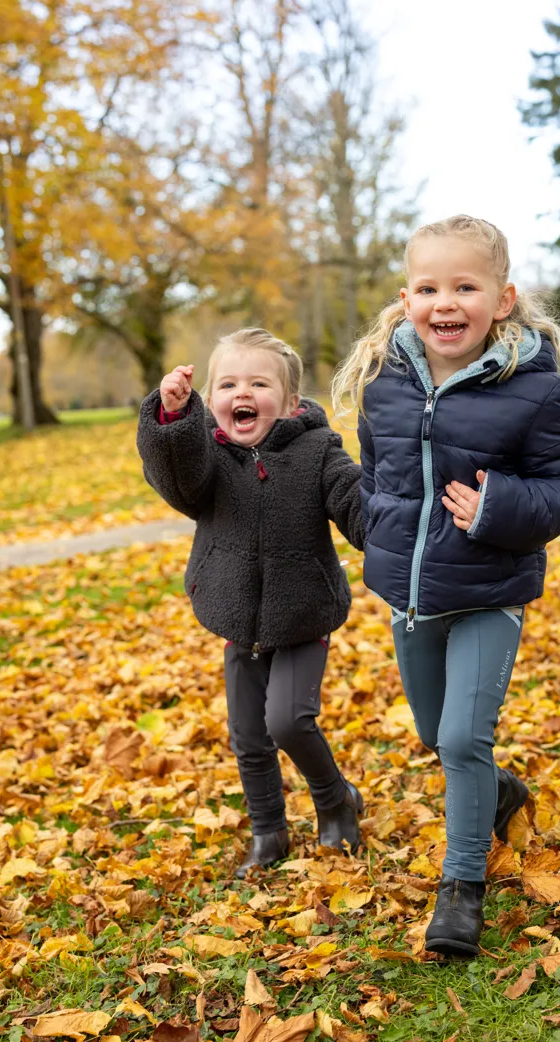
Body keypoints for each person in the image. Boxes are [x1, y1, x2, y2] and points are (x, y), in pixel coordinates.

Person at [331, 215, 560, 956]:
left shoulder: (533, 385)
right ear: (406, 296)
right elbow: (379, 472)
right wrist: (381, 532)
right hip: (413, 597)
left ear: (502, 299)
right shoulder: (385, 380)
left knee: (459, 737)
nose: (444, 302)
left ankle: (460, 891)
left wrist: (497, 509)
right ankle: (500, 794)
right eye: (428, 287)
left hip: (489, 588)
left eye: (464, 286)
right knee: (435, 736)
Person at [138, 328, 365, 878]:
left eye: (259, 383)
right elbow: (178, 484)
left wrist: (385, 513)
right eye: (228, 384)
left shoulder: (317, 452)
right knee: (248, 735)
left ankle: (336, 800)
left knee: (288, 720)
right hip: (236, 612)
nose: (243, 392)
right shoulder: (207, 459)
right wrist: (172, 422)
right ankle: (268, 831)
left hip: (303, 610)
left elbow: (355, 504)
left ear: (289, 403)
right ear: (210, 400)